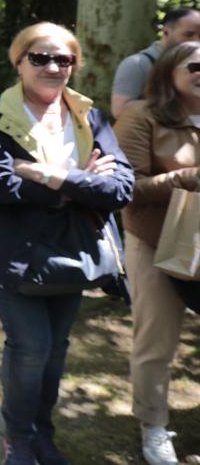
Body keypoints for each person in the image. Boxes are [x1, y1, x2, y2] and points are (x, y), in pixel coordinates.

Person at [0, 23, 133, 465]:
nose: (52, 67)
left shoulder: (90, 118)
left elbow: (122, 187)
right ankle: (19, 436)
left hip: (73, 252)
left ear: (74, 65)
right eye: (40, 58)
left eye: (63, 60)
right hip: (11, 252)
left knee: (57, 349)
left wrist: (50, 175)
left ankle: (42, 433)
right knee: (31, 346)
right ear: (19, 61)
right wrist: (83, 182)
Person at [113, 41, 200, 465]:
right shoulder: (142, 116)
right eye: (195, 65)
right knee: (156, 340)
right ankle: (153, 426)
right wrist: (184, 178)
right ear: (169, 71)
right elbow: (125, 188)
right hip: (157, 242)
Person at [112, 6, 200, 120]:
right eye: (188, 35)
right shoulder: (137, 64)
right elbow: (120, 111)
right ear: (166, 32)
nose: (196, 41)